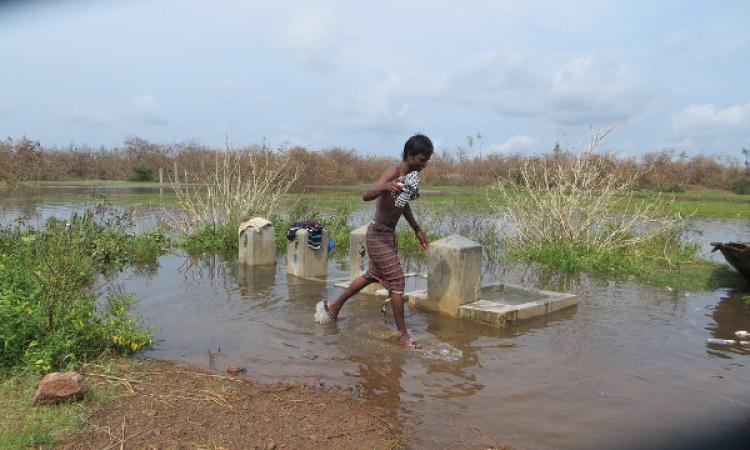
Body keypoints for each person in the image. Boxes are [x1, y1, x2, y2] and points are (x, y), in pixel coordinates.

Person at [321, 134, 433, 348]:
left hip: (388, 236)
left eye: (426, 160)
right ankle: (403, 336)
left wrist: (417, 229)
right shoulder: (394, 172)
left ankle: (334, 307)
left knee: (372, 275)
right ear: (409, 155)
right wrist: (386, 186)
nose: (424, 164)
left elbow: (404, 204)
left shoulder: (410, 177)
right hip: (377, 234)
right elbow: (366, 194)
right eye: (421, 159)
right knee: (398, 281)